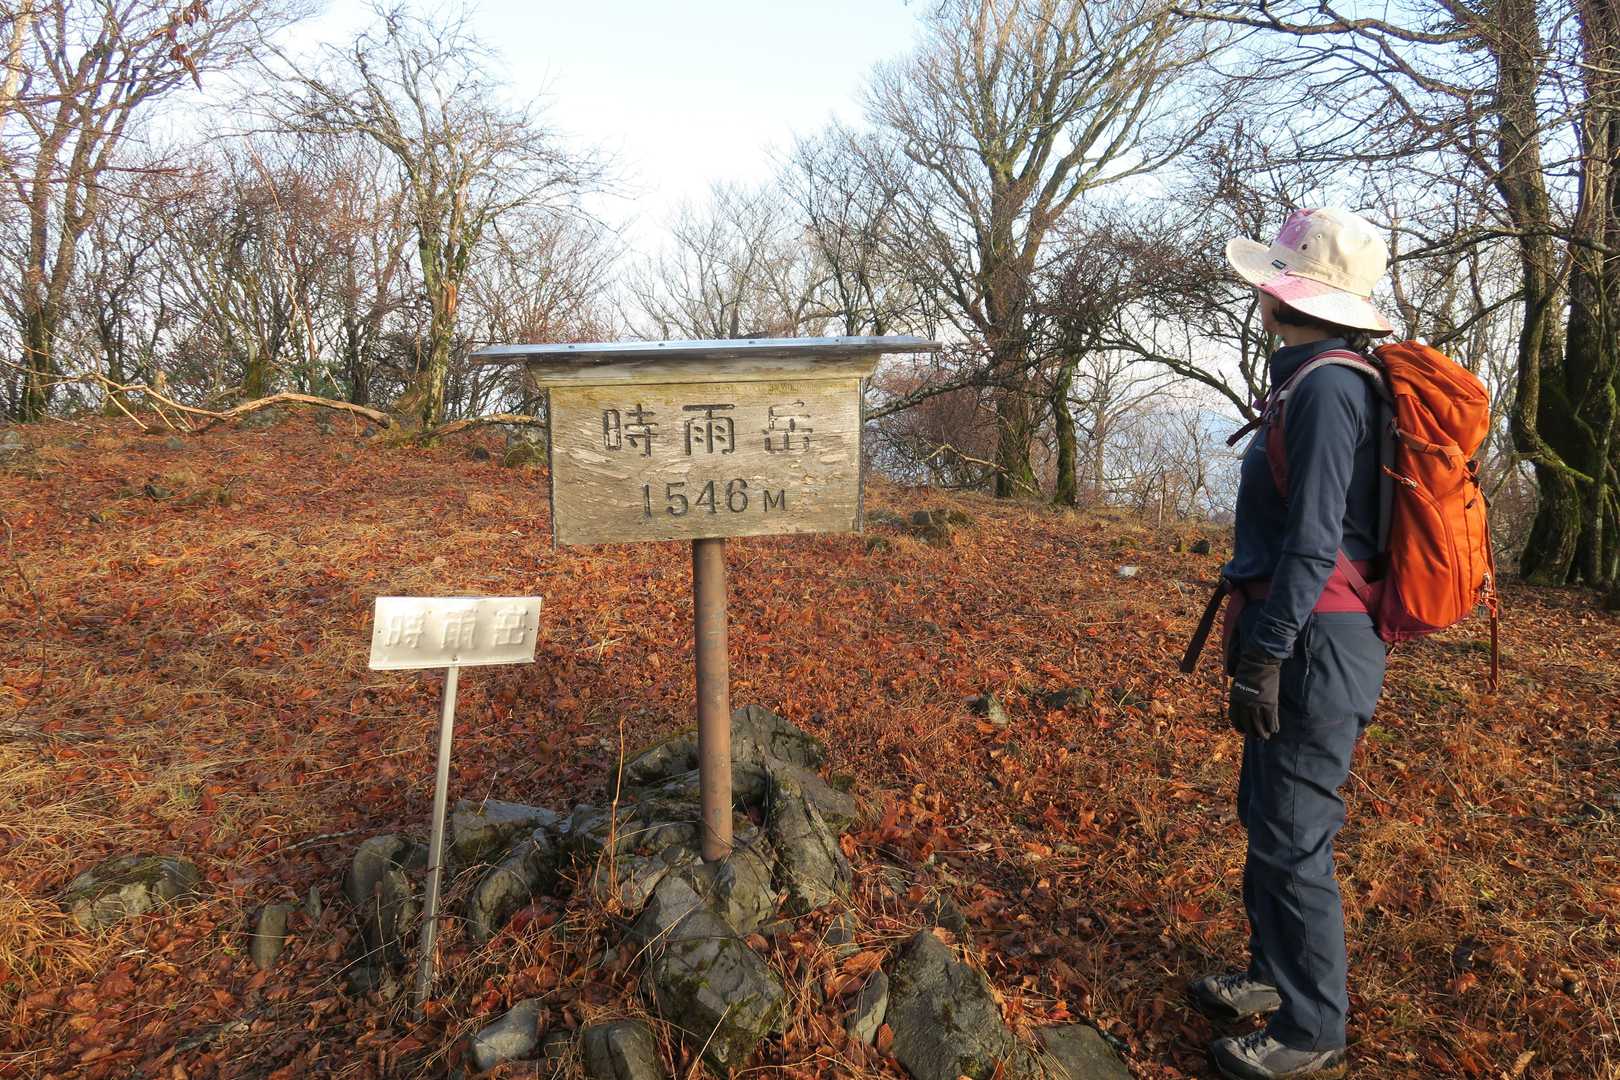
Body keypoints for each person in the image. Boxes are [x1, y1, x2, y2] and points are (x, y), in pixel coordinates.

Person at [1188, 208, 1395, 1080]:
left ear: (1289, 296)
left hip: (1317, 640)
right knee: (1268, 815)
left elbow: (1315, 540)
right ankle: (1273, 977)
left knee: (1295, 833)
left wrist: (1268, 651)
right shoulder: (1310, 379)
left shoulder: (1328, 390)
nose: (1260, 292)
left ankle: (1311, 1032)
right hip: (1304, 630)